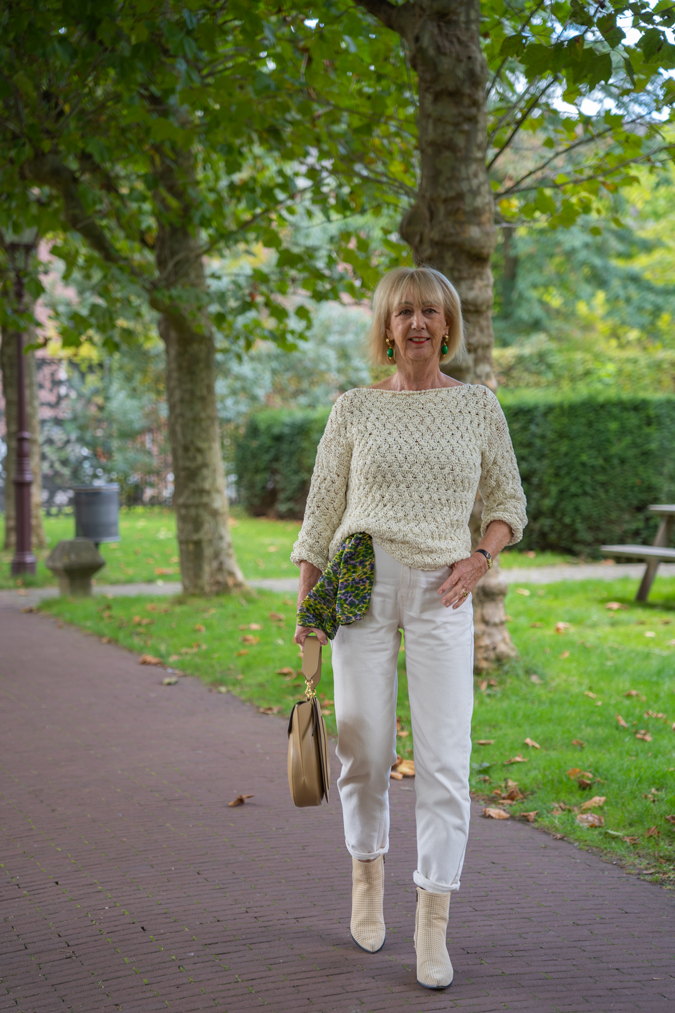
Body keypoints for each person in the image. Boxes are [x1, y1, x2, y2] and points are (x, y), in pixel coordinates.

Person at [291, 266, 527, 990]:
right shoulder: (354, 408)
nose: (417, 323)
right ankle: (367, 875)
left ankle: (432, 917)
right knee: (363, 748)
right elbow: (319, 516)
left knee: (444, 760)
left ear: (447, 326)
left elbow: (506, 500)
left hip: (441, 592)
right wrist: (308, 612)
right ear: (387, 329)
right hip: (362, 582)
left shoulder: (477, 406)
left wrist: (480, 558)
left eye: (429, 311)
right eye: (403, 312)